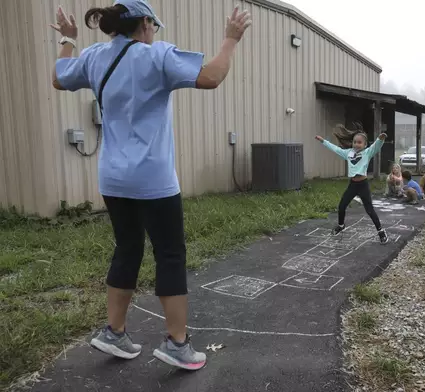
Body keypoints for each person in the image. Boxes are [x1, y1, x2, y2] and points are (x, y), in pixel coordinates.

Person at [50, 0, 251, 370]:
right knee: (170, 254)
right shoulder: (155, 56)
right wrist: (231, 39)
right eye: (153, 26)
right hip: (154, 179)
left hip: (112, 177)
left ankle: (114, 332)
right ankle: (177, 343)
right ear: (144, 23)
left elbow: (59, 77)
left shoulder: (95, 57)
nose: (155, 32)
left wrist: (68, 37)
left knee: (127, 249)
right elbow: (211, 76)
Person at [315, 132, 389, 244]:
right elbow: (335, 149)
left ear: (364, 145)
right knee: (342, 206)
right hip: (353, 185)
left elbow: (376, 146)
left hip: (363, 184)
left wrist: (380, 138)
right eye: (354, 142)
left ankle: (381, 231)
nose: (356, 144)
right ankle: (341, 225)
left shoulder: (367, 152)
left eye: (359, 142)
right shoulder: (348, 153)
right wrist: (323, 141)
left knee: (369, 210)